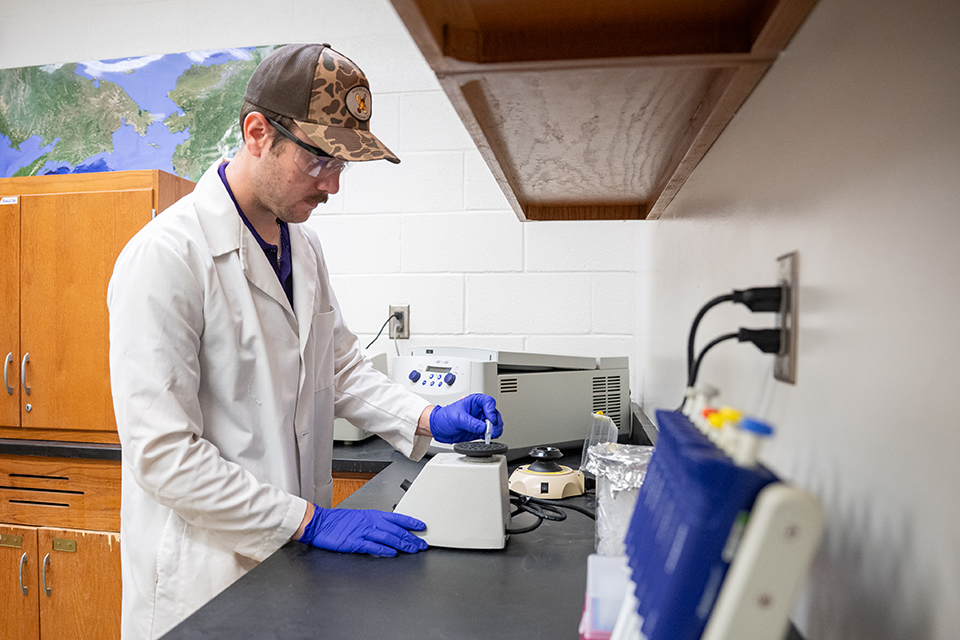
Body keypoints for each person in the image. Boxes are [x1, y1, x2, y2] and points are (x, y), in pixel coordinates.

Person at [107, 43, 503, 640]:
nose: (334, 186)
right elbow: (164, 457)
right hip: (203, 584)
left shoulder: (304, 248)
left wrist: (426, 416)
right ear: (259, 132)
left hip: (289, 566)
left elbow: (338, 368)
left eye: (344, 166)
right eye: (321, 161)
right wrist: (309, 521)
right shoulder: (165, 258)